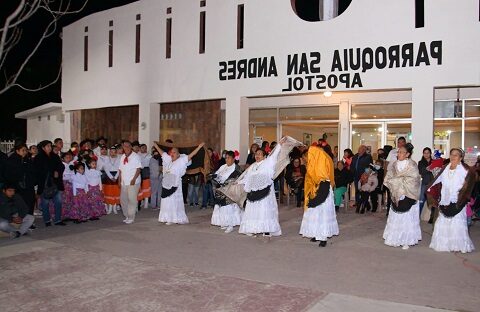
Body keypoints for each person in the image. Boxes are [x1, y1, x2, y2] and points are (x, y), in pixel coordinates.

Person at [429, 148, 475, 253]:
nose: (453, 157)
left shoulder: (465, 170)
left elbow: (468, 186)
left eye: (456, 155)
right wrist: (430, 190)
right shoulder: (445, 168)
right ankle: (444, 244)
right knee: (443, 221)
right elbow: (436, 181)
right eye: (451, 155)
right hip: (445, 200)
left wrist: (463, 198)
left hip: (458, 201)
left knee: (457, 223)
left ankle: (457, 245)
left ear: (461, 158)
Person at [238, 140, 284, 237]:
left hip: (265, 193)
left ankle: (266, 230)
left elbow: (274, 154)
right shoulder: (252, 166)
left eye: (260, 154)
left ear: (264, 156)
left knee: (264, 210)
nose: (257, 156)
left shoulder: (268, 163)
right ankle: (254, 229)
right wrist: (238, 182)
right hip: (254, 193)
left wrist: (279, 144)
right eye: (256, 154)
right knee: (253, 211)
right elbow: (246, 178)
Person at [153, 142, 205, 225]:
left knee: (173, 202)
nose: (172, 154)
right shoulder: (168, 160)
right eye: (171, 152)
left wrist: (198, 147)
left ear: (178, 155)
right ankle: (166, 217)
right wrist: (156, 146)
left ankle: (174, 218)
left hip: (175, 185)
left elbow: (190, 156)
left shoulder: (181, 161)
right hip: (166, 184)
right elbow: (162, 153)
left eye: (175, 152)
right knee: (166, 201)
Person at [382, 143, 422, 250]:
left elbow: (414, 180)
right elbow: (388, 178)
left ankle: (406, 240)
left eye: (401, 152)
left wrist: (400, 184)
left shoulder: (412, 165)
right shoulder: (394, 165)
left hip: (408, 194)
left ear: (407, 154)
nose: (398, 154)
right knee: (396, 217)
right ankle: (394, 238)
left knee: (406, 218)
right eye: (398, 152)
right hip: (396, 193)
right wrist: (395, 184)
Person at [300, 145, 339, 247]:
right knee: (314, 214)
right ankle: (316, 233)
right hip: (314, 191)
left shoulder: (321, 165)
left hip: (322, 190)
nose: (304, 160)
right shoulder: (312, 165)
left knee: (322, 215)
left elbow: (323, 179)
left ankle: (323, 237)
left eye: (305, 157)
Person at [33, 140, 66, 227]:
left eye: (50, 146)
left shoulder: (54, 156)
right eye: (47, 146)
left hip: (56, 183)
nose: (50, 148)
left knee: (58, 201)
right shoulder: (38, 157)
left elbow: (61, 166)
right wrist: (50, 172)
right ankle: (47, 220)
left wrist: (57, 171)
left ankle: (58, 220)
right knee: (45, 202)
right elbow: (37, 171)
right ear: (43, 148)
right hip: (45, 183)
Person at [210, 151, 243, 233]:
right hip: (221, 190)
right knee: (222, 207)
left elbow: (238, 178)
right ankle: (224, 223)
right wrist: (214, 177)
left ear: (233, 159)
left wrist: (227, 182)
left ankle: (230, 225)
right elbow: (217, 174)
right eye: (226, 158)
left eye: (229, 158)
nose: (227, 160)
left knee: (229, 208)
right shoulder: (223, 166)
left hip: (230, 191)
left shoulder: (236, 168)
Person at [5, 143, 36, 217]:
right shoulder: (12, 160)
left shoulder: (27, 159)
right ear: (17, 151)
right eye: (23, 150)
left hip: (28, 186)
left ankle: (29, 220)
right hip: (17, 187)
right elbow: (10, 174)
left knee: (30, 202)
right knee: (20, 204)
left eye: (26, 150)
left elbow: (32, 171)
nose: (25, 152)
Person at [118, 141, 142, 224]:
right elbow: (120, 170)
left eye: (128, 146)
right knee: (123, 200)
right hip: (124, 181)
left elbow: (138, 169)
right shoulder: (122, 156)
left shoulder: (135, 156)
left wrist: (134, 179)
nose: (126, 148)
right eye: (125, 146)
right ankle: (127, 215)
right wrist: (119, 180)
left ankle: (131, 217)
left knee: (132, 200)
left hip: (133, 182)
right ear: (123, 147)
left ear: (131, 147)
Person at [103, 146, 121, 214]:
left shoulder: (119, 159)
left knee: (116, 192)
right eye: (111, 152)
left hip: (116, 175)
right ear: (109, 152)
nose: (113, 153)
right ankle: (110, 207)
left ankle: (115, 207)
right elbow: (106, 168)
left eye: (114, 152)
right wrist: (111, 177)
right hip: (109, 176)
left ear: (116, 152)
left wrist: (116, 177)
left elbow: (120, 168)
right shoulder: (106, 159)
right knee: (109, 192)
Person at [418, 147, 433, 215]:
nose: (426, 154)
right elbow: (421, 171)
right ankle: (417, 216)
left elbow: (436, 171)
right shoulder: (420, 162)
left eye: (428, 153)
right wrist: (429, 168)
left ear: (430, 154)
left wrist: (428, 169)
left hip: (433, 183)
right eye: (425, 153)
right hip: (424, 183)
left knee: (433, 201)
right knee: (421, 200)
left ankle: (432, 217)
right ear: (423, 154)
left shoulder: (434, 161)